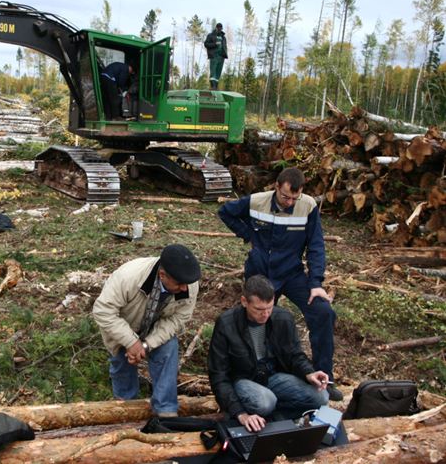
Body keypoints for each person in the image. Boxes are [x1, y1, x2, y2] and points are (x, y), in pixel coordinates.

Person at [218, 167, 343, 401]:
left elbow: (316, 245)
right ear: (276, 186)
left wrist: (316, 283)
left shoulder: (308, 206)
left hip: (291, 272)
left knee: (323, 312)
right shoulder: (257, 201)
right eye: (286, 196)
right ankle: (254, 373)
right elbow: (225, 211)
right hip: (260, 273)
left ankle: (326, 378)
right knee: (258, 319)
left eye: (294, 198)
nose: (289, 202)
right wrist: (248, 235)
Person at [208, 275, 329, 432]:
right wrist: (240, 413)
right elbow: (218, 375)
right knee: (265, 402)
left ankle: (275, 418)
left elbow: (294, 355)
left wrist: (309, 373)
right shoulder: (226, 323)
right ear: (244, 302)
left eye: (269, 308)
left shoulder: (283, 318)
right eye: (258, 309)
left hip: (273, 377)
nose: (265, 314)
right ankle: (265, 414)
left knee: (322, 396)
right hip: (243, 380)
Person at [93, 244, 201, 417]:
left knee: (168, 349)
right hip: (124, 325)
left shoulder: (188, 284)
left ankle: (165, 410)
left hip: (157, 327)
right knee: (122, 362)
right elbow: (103, 311)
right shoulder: (129, 277)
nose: (184, 288)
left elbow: (177, 319)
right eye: (179, 284)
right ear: (162, 275)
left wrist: (147, 344)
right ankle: (126, 409)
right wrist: (131, 342)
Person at [204, 23, 228, 90]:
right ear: (216, 28)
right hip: (214, 56)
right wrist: (214, 44)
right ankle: (213, 86)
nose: (220, 29)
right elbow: (206, 44)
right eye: (218, 28)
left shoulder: (223, 37)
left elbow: (225, 46)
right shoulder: (211, 35)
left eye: (221, 28)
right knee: (213, 71)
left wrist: (225, 53)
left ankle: (216, 86)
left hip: (221, 56)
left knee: (218, 71)